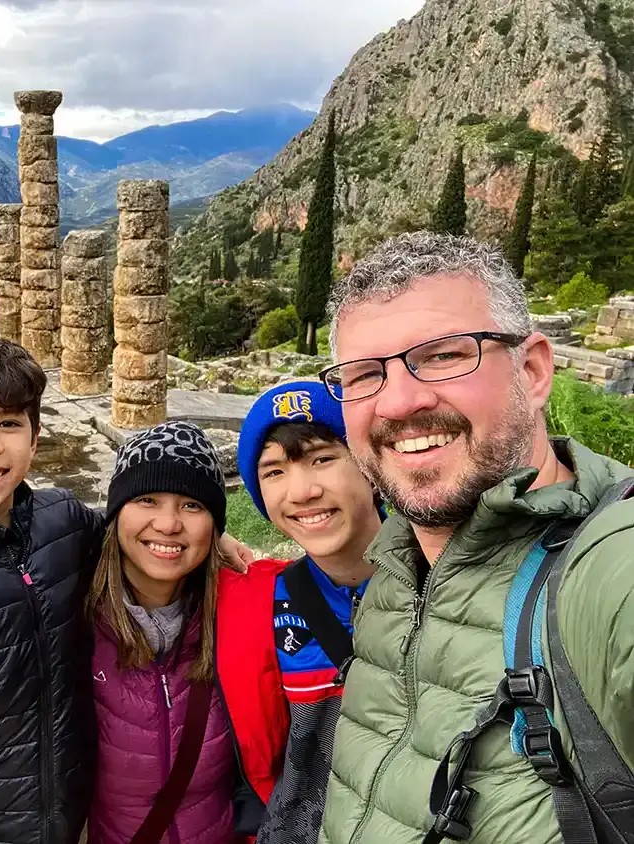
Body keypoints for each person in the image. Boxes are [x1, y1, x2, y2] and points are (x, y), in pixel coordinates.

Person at [0, 326, 252, 844]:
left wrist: (210, 534)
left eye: (8, 422)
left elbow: (131, 527)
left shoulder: (62, 522)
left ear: (35, 438)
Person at [315, 232, 634, 844]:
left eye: (442, 355)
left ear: (534, 370)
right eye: (364, 375)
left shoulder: (608, 570)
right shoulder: (394, 572)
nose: (400, 402)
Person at [216, 379, 380, 844]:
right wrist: (207, 533)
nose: (302, 491)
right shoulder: (256, 601)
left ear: (370, 466)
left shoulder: (449, 584)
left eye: (323, 459)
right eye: (273, 472)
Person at [86, 421, 238, 844]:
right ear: (115, 514)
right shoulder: (68, 617)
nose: (169, 524)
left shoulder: (241, 617)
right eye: (147, 499)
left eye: (192, 506)